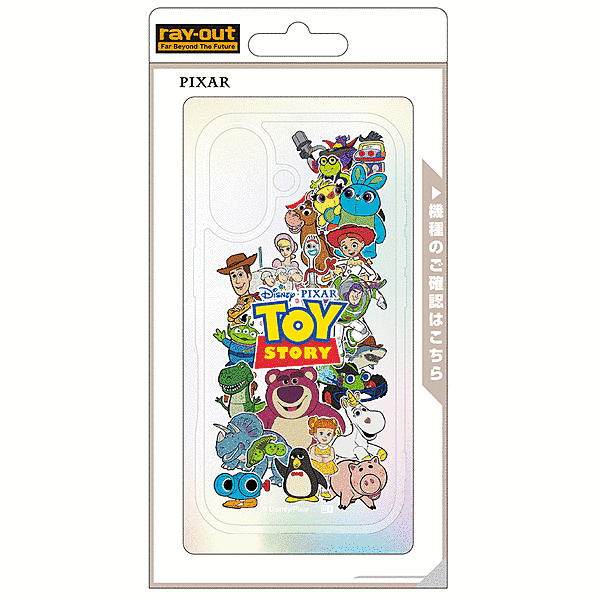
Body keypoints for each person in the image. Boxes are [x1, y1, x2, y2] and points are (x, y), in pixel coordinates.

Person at [217, 252, 261, 324]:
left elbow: (234, 316)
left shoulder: (251, 300)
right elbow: (230, 318)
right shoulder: (240, 301)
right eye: (233, 276)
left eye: (240, 274)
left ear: (249, 276)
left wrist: (232, 312)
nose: (237, 281)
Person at [307, 416, 341, 499]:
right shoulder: (314, 447)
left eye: (328, 434)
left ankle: (324, 490)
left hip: (326, 466)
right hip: (316, 465)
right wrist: (318, 458)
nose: (325, 437)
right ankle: (315, 490)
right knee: (315, 477)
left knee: (326, 478)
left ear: (332, 435)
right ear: (315, 434)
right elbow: (311, 455)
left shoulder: (331, 449)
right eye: (321, 433)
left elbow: (332, 456)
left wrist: (326, 459)